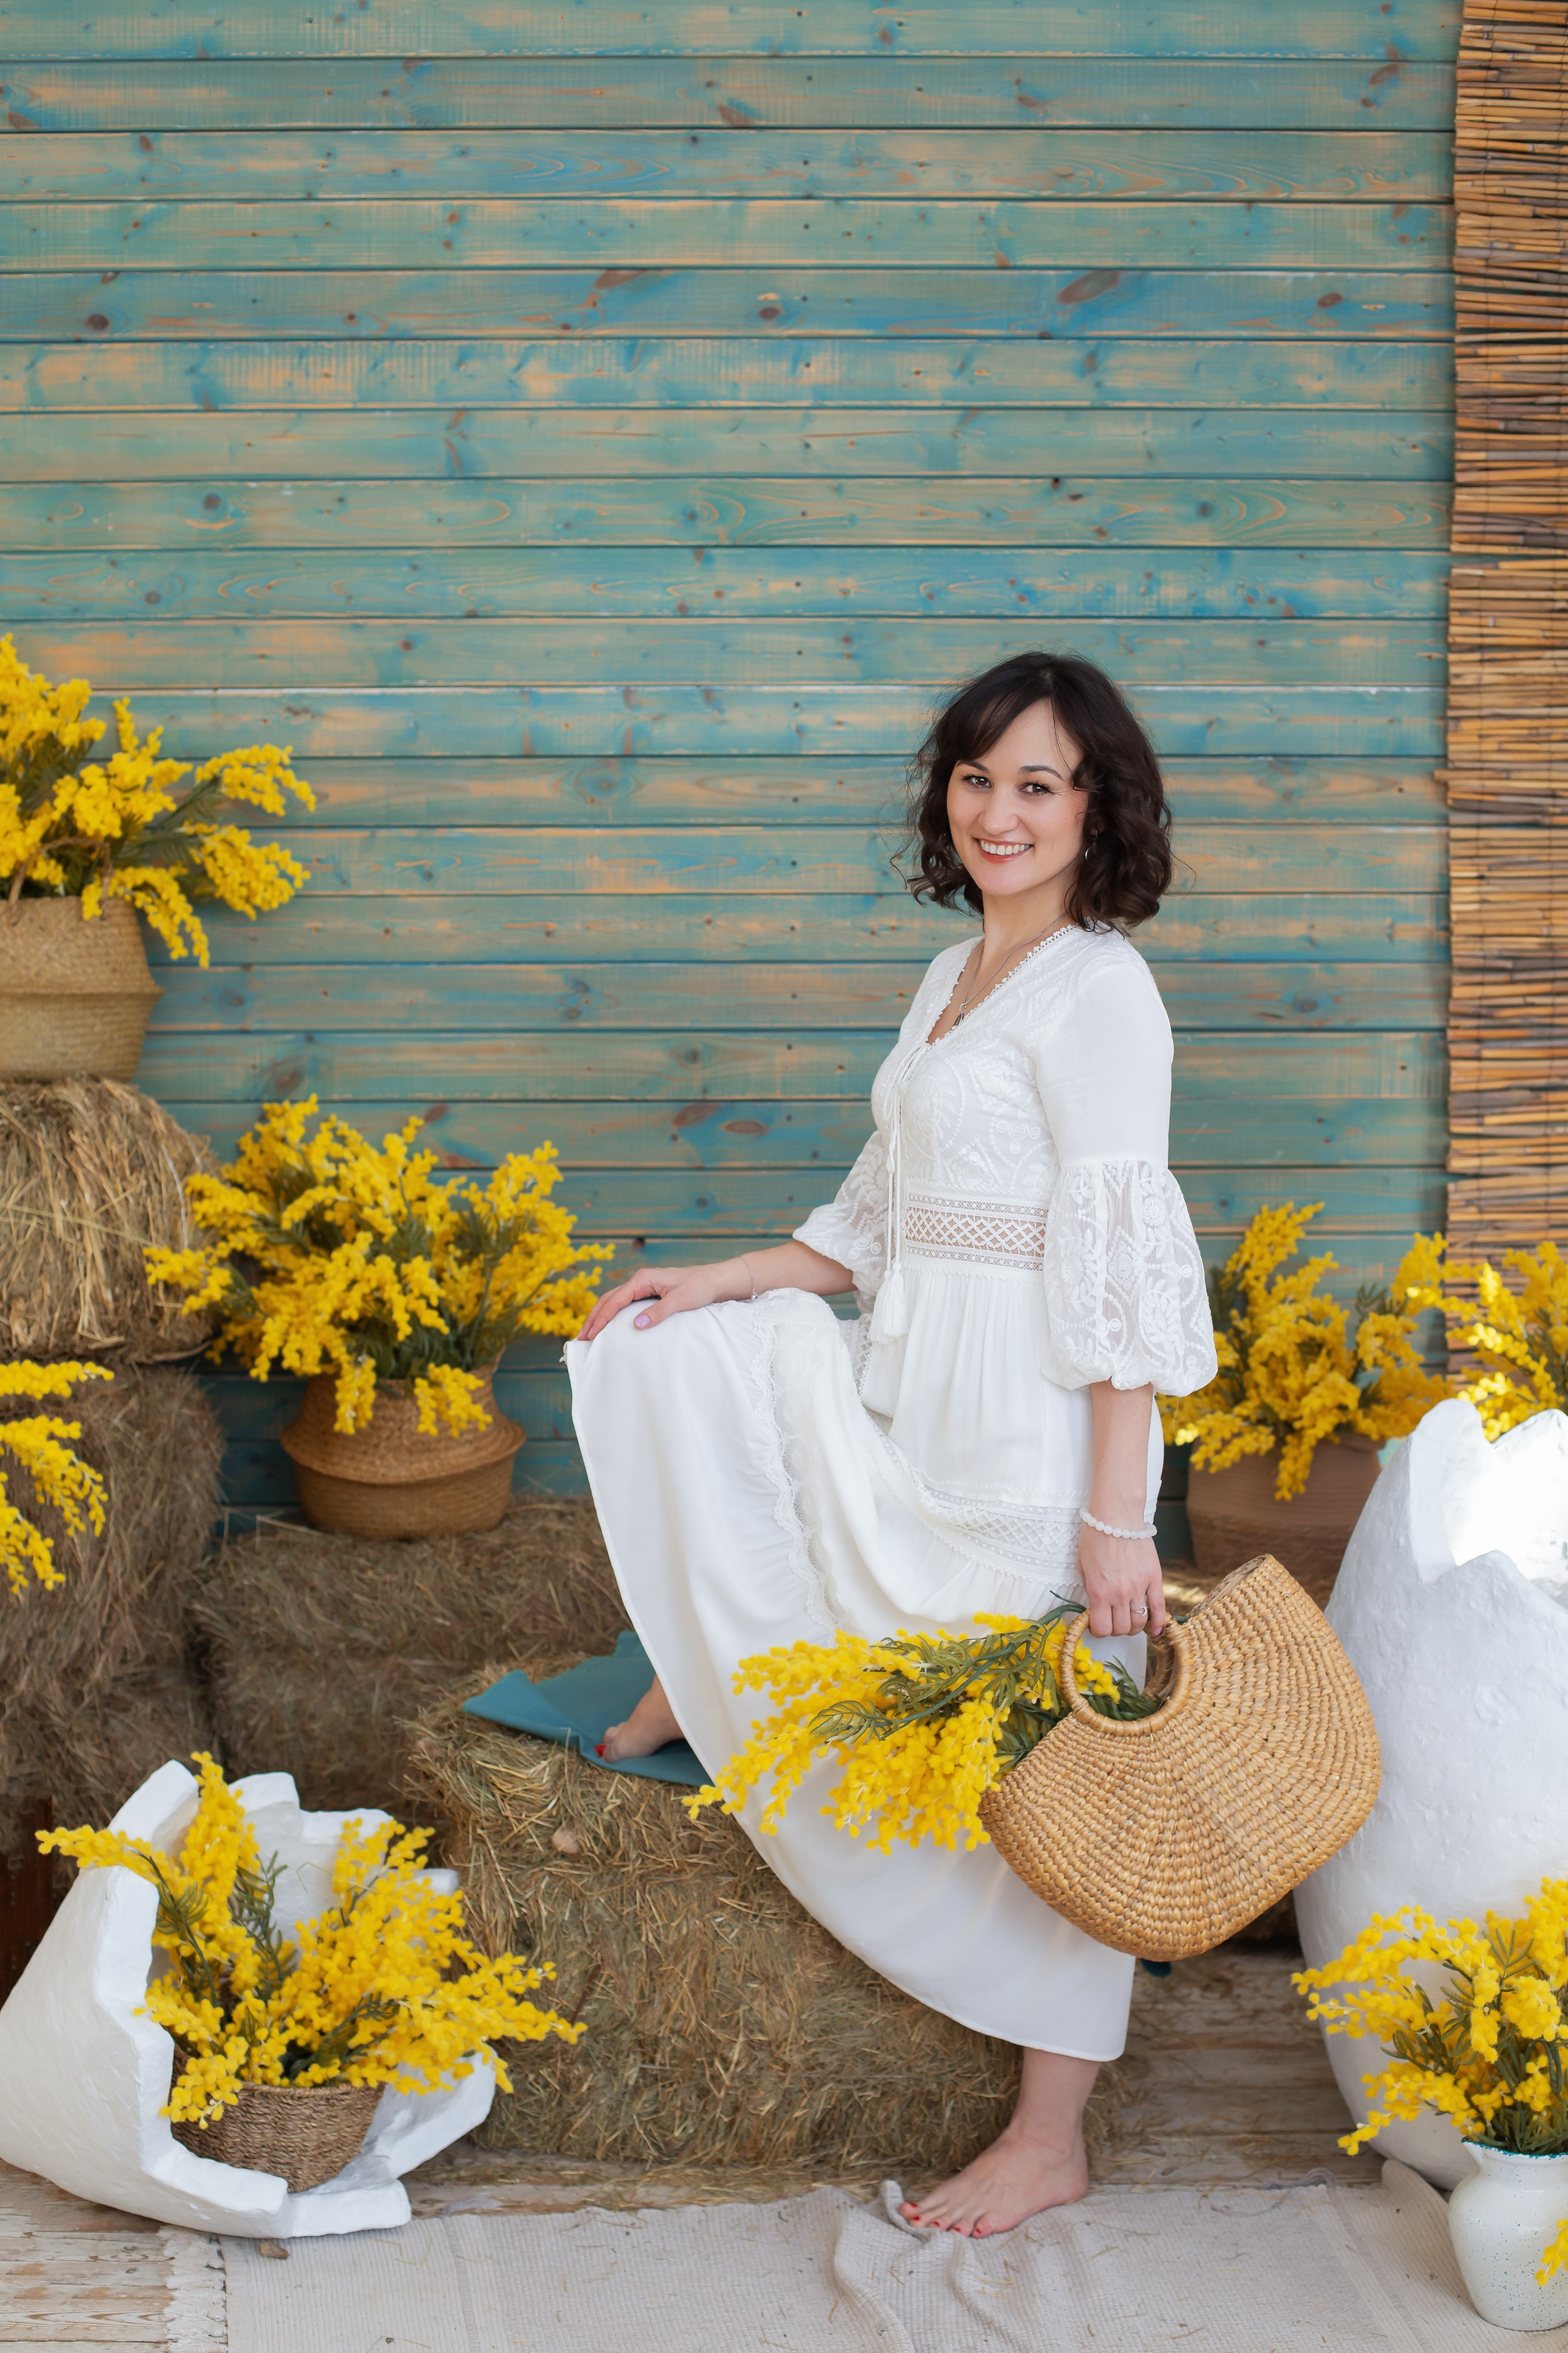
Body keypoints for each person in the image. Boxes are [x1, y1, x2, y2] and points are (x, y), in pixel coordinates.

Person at [567, 652, 1218, 2237]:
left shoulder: (1103, 989)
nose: (1001, 812)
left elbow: (1120, 1272)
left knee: (1037, 1751)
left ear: (1095, 808)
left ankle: (1048, 2128)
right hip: (908, 1381)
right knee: (682, 1346)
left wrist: (1117, 1519)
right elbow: (872, 1221)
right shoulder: (949, 980)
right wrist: (710, 1275)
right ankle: (704, 1648)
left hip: (1024, 1415)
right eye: (979, 777)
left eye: (1040, 784)